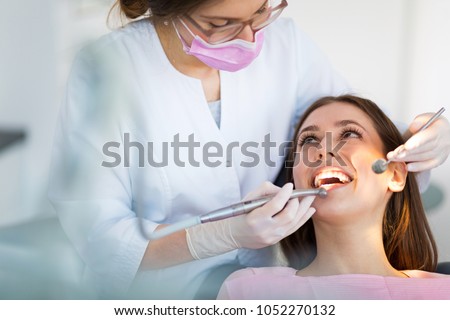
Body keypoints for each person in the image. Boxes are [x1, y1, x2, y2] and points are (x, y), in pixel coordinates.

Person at [48, 0, 450, 299]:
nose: (249, 37)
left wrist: (417, 137)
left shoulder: (286, 46)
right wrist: (215, 236)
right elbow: (101, 237)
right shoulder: (110, 70)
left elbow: (353, 123)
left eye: (260, 11)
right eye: (221, 23)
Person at [217, 95, 450, 299]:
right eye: (309, 140)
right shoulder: (248, 292)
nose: (323, 149)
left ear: (396, 174)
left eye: (349, 133)